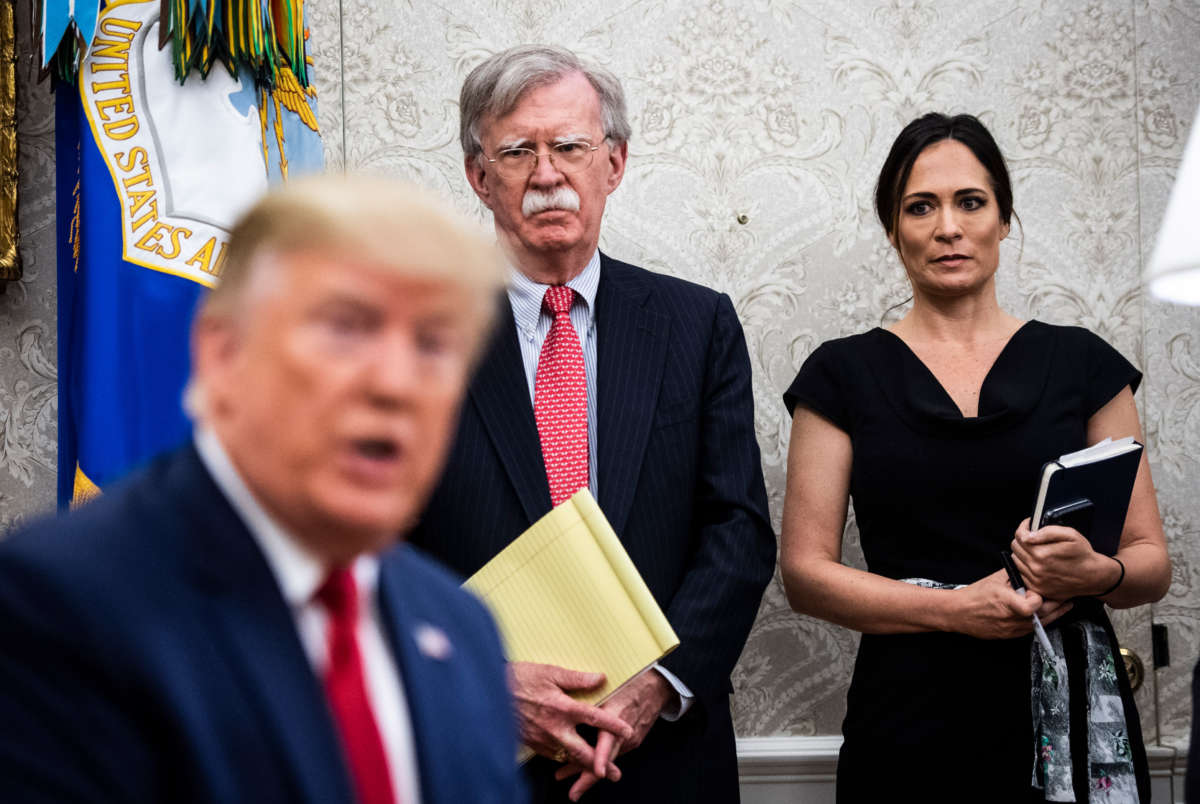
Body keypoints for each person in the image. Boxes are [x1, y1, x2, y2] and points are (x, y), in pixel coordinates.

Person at [0, 176, 526, 804]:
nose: (396, 385)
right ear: (223, 354)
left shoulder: (461, 630)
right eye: (346, 328)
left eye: (433, 345)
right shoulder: (61, 603)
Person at [408, 45, 775, 803]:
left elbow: (737, 531)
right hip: (477, 750)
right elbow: (369, 551)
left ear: (615, 163)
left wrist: (655, 687)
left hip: (667, 755)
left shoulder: (697, 324)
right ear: (481, 178)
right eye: (518, 152)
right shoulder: (413, 332)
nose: (547, 175)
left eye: (570, 147)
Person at [779, 113, 1171, 802]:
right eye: (920, 207)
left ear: (1004, 218)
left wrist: (1095, 572)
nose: (948, 227)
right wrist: (957, 610)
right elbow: (806, 576)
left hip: (1066, 715)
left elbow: (1149, 562)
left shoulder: (1083, 364)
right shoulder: (841, 373)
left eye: (970, 202)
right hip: (905, 718)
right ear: (894, 231)